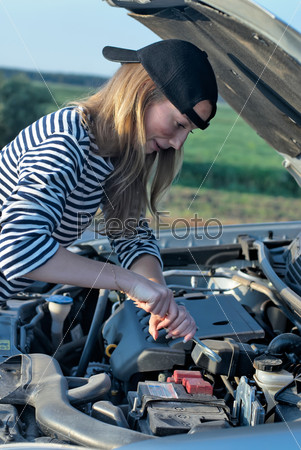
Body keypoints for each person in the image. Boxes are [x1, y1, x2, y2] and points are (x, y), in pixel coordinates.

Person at [0, 39, 218, 343]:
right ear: (142, 94)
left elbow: (130, 234)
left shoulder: (115, 154)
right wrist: (126, 282)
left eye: (188, 133)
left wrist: (159, 298)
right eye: (179, 124)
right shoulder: (67, 141)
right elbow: (18, 250)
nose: (178, 143)